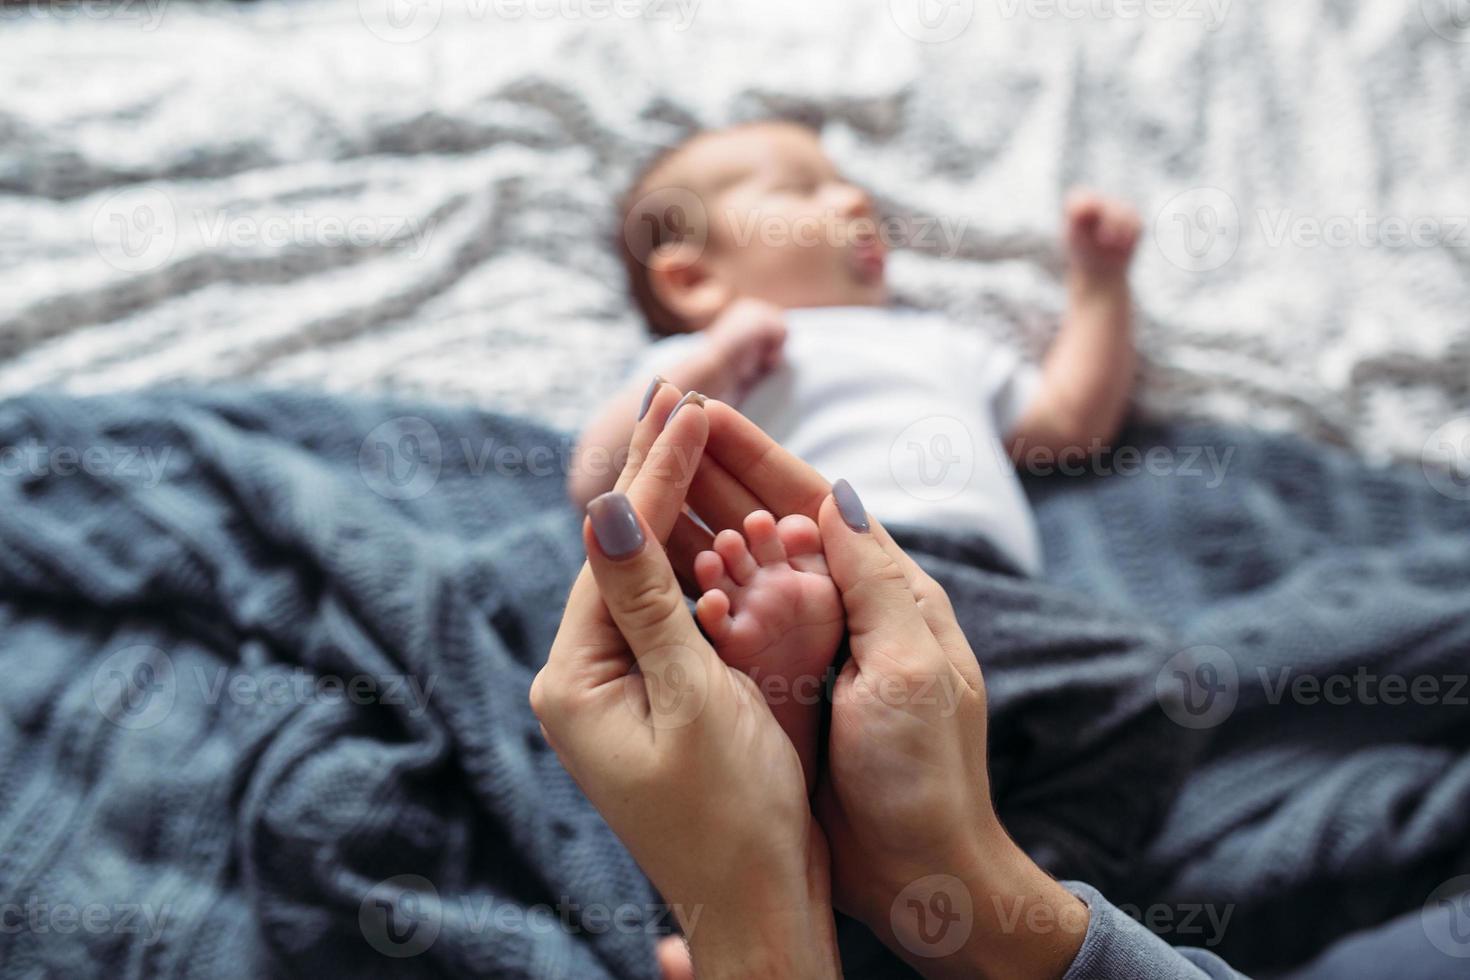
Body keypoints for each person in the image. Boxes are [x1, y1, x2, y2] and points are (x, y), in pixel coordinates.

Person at [531, 382, 1239, 978]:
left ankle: (793, 791)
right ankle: (816, 752)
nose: (851, 209)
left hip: (945, 575)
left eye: (861, 203)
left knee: (1141, 691)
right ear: (688, 274)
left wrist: (1098, 282)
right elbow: (600, 474)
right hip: (815, 550)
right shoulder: (713, 341)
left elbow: (1070, 418)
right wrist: (710, 360)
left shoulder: (944, 334)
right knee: (1135, 688)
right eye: (801, 204)